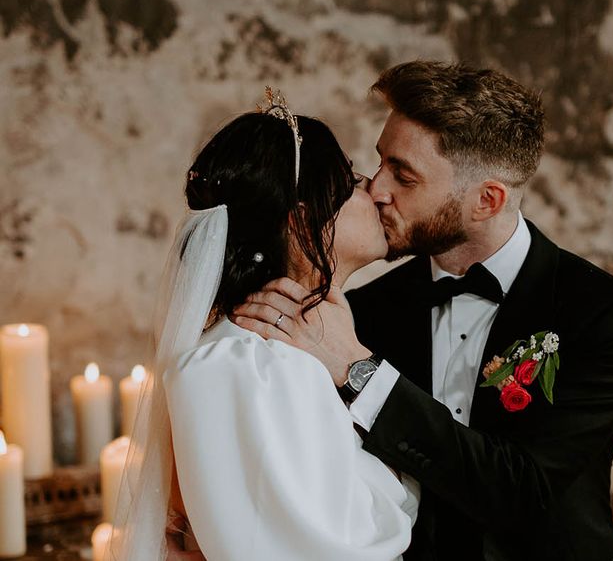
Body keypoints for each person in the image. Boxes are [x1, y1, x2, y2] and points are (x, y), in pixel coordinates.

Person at [233, 61, 613, 560]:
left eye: (404, 176)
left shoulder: (608, 315)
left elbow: (523, 491)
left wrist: (360, 374)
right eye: (381, 162)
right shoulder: (358, 313)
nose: (376, 190)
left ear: (486, 201)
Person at [108, 94, 416, 561]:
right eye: (351, 181)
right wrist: (403, 474)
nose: (373, 190)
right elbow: (337, 547)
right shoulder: (253, 364)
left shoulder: (295, 353)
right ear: (303, 221)